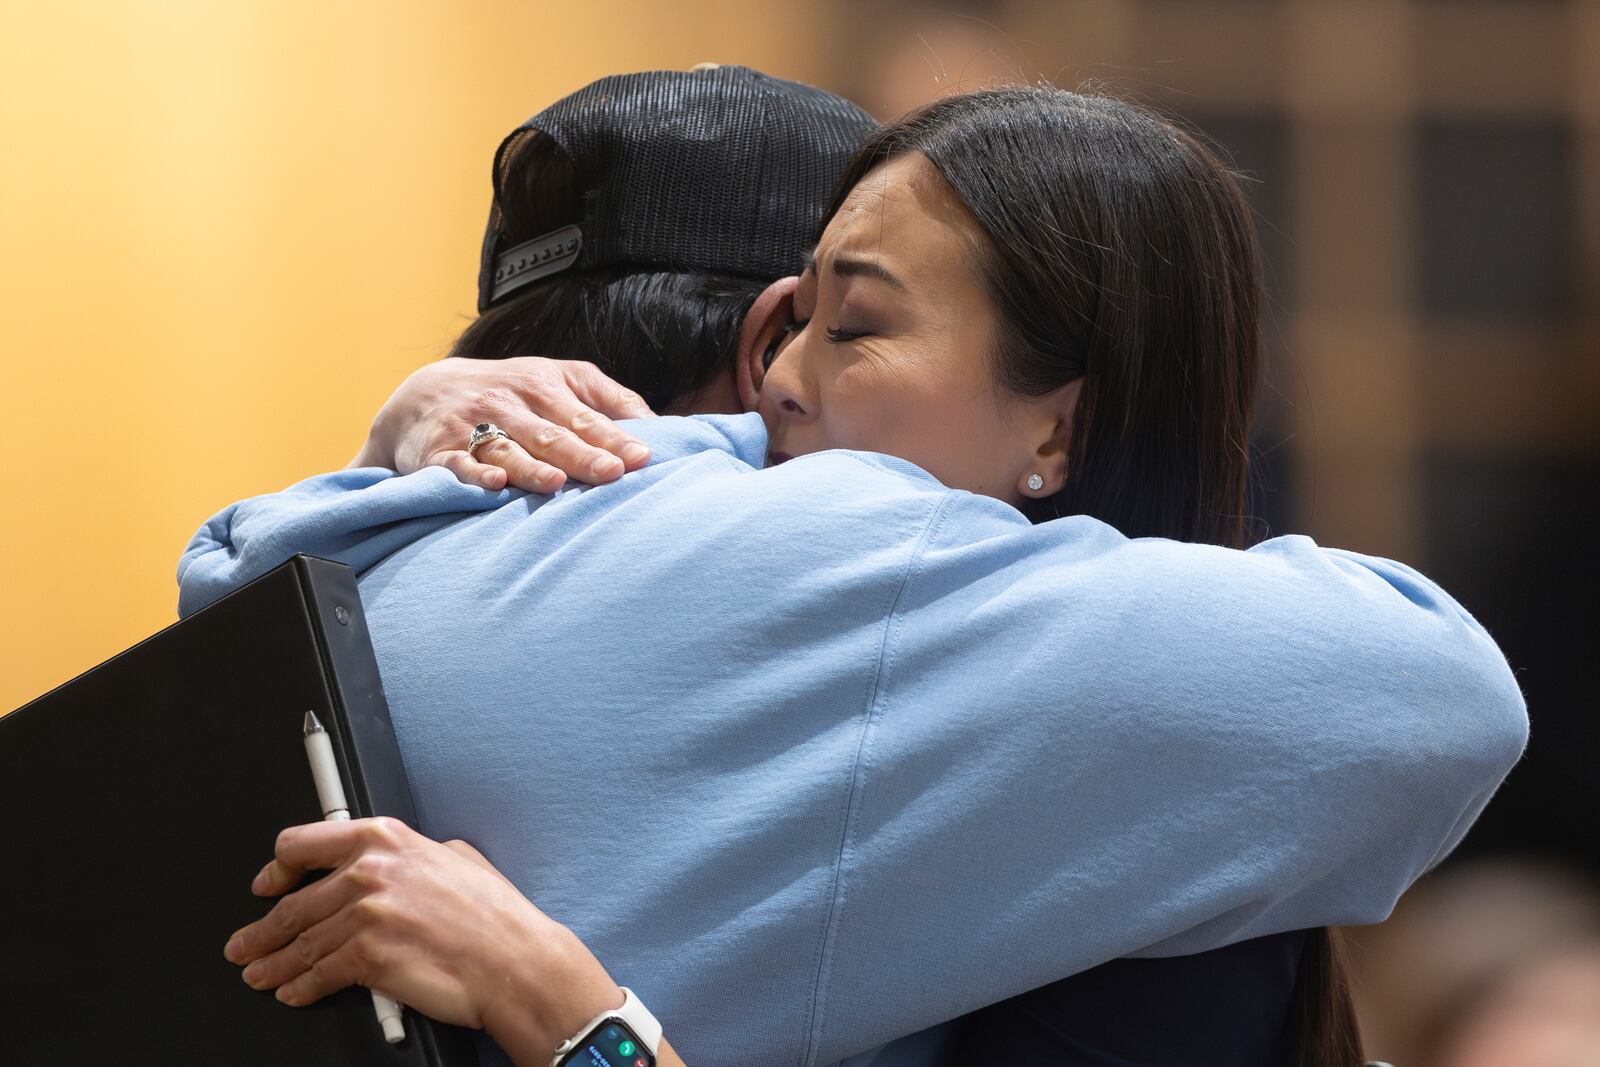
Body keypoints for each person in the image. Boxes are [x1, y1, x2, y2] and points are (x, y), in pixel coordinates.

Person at [181, 79, 1528, 1067]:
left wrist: (402, 454)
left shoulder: (351, 562)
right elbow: (1439, 687)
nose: (781, 380)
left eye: (850, 325)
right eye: (788, 318)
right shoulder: (1176, 791)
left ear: (1060, 419)